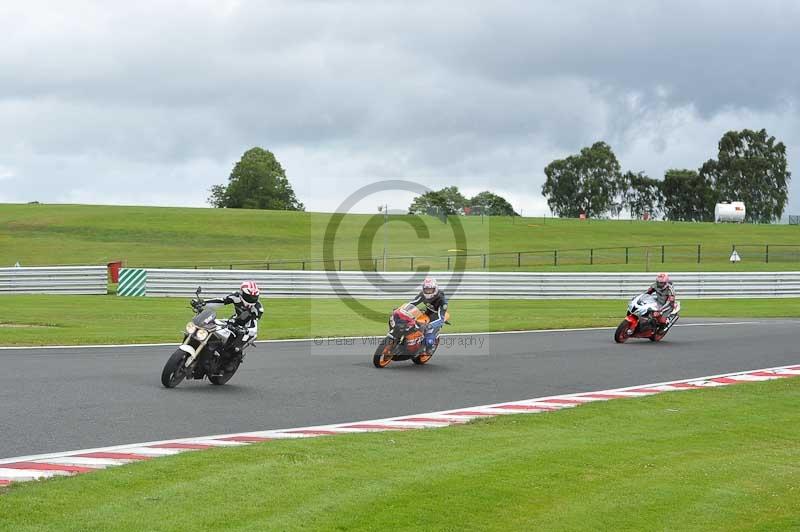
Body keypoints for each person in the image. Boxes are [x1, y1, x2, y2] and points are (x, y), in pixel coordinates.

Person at [200, 280, 264, 370]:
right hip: (234, 321)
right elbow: (221, 301)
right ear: (242, 293)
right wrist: (203, 303)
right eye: (249, 296)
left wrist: (245, 330)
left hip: (247, 329)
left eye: (254, 297)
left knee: (233, 347)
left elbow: (254, 325)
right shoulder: (236, 297)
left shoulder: (257, 308)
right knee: (212, 326)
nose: (251, 299)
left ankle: (230, 362)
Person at [406, 277, 448, 350]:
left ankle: (429, 349)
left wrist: (430, 325)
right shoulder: (422, 294)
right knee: (409, 322)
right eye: (426, 289)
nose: (428, 291)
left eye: (430, 289)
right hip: (427, 313)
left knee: (428, 341)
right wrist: (403, 309)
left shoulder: (442, 301)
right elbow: (412, 303)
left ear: (435, 289)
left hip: (436, 318)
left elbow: (441, 319)